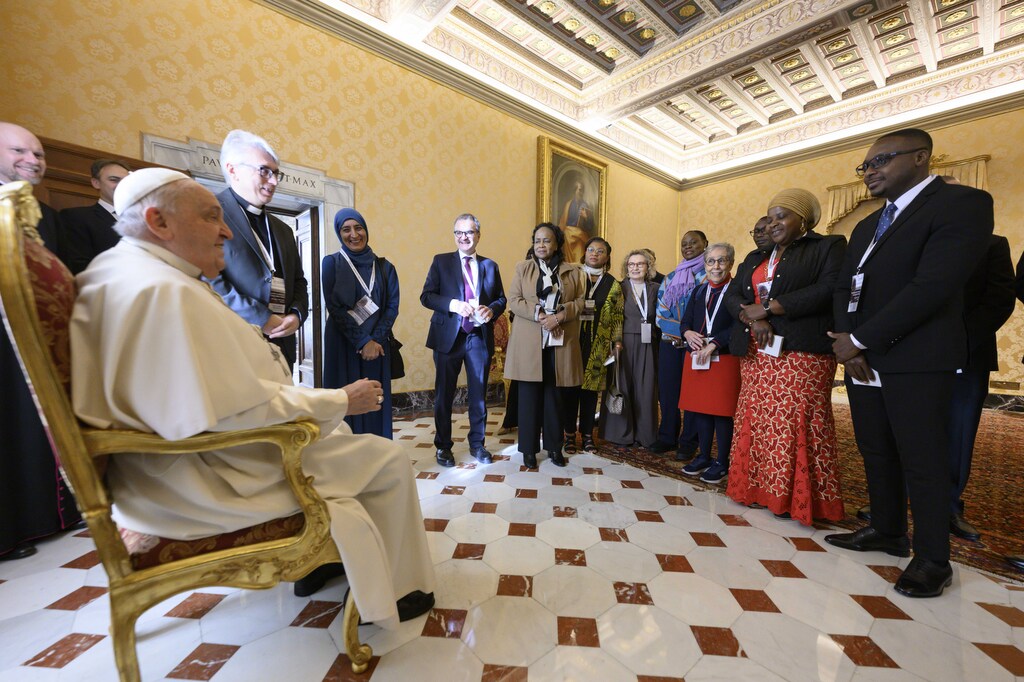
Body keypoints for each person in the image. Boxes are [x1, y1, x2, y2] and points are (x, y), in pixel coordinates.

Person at [70, 168, 434, 626]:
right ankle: (397, 593)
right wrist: (338, 399)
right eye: (210, 217)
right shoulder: (158, 290)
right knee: (387, 458)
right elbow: (238, 410)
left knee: (341, 437)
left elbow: (215, 393)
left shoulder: (125, 271)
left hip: (182, 461)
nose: (225, 230)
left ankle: (329, 560)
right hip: (203, 473)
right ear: (159, 222)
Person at [826, 128, 993, 599]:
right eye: (865, 166)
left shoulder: (962, 204)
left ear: (921, 157)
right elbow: (845, 287)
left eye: (881, 160)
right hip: (861, 359)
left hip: (917, 358)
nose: (870, 172)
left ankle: (933, 558)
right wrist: (848, 342)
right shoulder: (864, 226)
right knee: (875, 448)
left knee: (924, 458)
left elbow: (933, 286)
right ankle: (887, 529)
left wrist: (859, 338)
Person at [724, 188, 846, 525]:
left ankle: (796, 500)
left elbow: (827, 289)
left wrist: (769, 308)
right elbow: (734, 296)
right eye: (771, 216)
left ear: (804, 219)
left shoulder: (827, 247)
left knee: (795, 423)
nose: (773, 224)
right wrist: (754, 317)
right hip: (756, 352)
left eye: (783, 216)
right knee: (758, 420)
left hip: (802, 352)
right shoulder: (755, 256)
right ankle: (755, 490)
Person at [0, 122, 81, 560]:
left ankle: (55, 514)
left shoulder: (45, 215)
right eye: (19, 151)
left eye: (39, 154)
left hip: (44, 338)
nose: (33, 161)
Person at [209, 129, 309, 370]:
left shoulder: (283, 230)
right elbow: (208, 281)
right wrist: (261, 318)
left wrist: (296, 315)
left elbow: (298, 281)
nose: (273, 181)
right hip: (234, 346)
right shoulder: (209, 214)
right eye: (264, 171)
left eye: (276, 173)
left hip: (281, 346)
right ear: (233, 170)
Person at [420, 213, 506, 467]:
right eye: (459, 233)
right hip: (448, 337)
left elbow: (500, 299)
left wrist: (492, 310)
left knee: (478, 395)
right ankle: (443, 447)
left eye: (469, 232)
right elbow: (426, 296)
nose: (464, 237)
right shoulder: (441, 262)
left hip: (478, 337)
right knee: (444, 395)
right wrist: (453, 304)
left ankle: (477, 445)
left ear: (478, 235)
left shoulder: (490, 265)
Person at [504, 223, 585, 468]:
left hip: (559, 341)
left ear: (557, 244)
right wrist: (539, 315)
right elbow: (514, 301)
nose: (541, 245)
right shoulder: (523, 268)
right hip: (530, 340)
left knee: (555, 397)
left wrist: (559, 316)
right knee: (529, 397)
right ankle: (528, 450)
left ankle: (554, 447)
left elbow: (581, 301)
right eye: (537, 240)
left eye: (546, 240)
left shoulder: (573, 272)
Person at [322, 208, 400, 438]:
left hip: (377, 347)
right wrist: (362, 341)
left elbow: (391, 308)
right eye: (346, 229)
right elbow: (334, 308)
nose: (353, 234)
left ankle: (376, 454)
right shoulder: (331, 263)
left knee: (375, 401)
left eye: (358, 228)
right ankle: (344, 458)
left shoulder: (386, 268)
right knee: (345, 404)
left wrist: (374, 340)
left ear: (366, 230)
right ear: (339, 233)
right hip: (342, 345)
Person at [678, 243, 740, 484]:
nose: (716, 266)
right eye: (711, 261)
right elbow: (685, 322)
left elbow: (739, 326)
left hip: (722, 358)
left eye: (721, 261)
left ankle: (722, 462)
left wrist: (715, 343)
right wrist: (687, 334)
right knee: (700, 410)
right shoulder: (698, 291)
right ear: (705, 265)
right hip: (696, 357)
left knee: (721, 414)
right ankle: (704, 456)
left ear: (731, 264)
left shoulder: (736, 291)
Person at [652, 230, 708, 459]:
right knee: (667, 393)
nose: (687, 246)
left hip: (697, 345)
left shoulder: (709, 276)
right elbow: (661, 311)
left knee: (693, 395)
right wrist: (678, 333)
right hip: (669, 343)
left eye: (693, 242)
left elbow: (706, 314)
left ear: (705, 243)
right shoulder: (671, 276)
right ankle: (667, 436)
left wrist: (687, 335)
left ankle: (688, 442)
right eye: (684, 243)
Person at [563, 237, 622, 454]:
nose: (594, 254)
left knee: (589, 393)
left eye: (600, 251)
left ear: (607, 257)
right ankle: (569, 435)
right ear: (584, 253)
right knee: (569, 390)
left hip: (598, 345)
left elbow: (617, 316)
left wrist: (617, 342)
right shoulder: (572, 275)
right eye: (590, 250)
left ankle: (587, 435)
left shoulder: (613, 284)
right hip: (570, 342)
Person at [601, 250, 660, 448]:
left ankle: (645, 435)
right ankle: (621, 434)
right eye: (631, 264)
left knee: (646, 388)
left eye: (640, 264)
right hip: (622, 343)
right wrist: (614, 343)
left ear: (648, 267)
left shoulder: (656, 289)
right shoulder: (618, 288)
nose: (635, 268)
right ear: (626, 267)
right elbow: (609, 317)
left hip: (647, 343)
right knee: (622, 386)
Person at [59, 158, 129, 274]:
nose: (122, 185)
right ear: (96, 183)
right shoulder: (76, 217)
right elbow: (79, 265)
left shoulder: (144, 220)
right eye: (114, 180)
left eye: (126, 181)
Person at [558, 178, 594, 264]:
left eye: (582, 190)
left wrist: (586, 217)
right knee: (569, 262)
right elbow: (563, 222)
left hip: (580, 237)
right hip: (568, 236)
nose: (581, 193)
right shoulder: (568, 204)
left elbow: (590, 226)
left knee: (579, 262)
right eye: (579, 190)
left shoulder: (585, 205)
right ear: (575, 191)